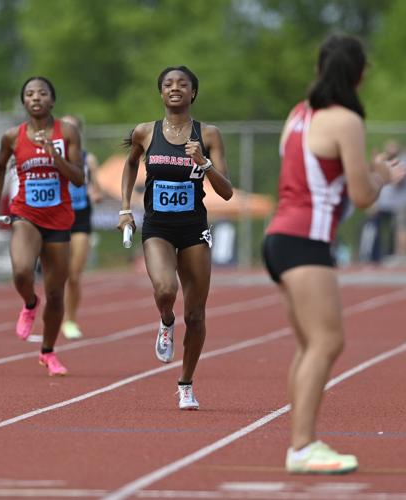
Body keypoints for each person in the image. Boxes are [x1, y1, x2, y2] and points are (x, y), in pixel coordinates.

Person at [262, 35, 405, 474]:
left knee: (311, 345)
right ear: (359, 75)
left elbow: (316, 175)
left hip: (280, 237)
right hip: (306, 239)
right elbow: (362, 196)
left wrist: (361, 175)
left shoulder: (298, 114)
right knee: (327, 341)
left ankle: (302, 443)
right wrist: (381, 175)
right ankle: (302, 446)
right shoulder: (345, 119)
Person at [117, 66, 233, 410]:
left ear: (193, 93)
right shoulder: (145, 132)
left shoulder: (208, 134)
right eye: (168, 84)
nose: (175, 88)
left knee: (196, 314)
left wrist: (205, 163)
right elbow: (130, 165)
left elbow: (226, 193)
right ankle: (166, 320)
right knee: (166, 290)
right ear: (161, 93)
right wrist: (125, 207)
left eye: (183, 84)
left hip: (194, 228)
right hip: (158, 228)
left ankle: (186, 384)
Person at [0, 77, 84, 376]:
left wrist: (55, 157)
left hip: (58, 218)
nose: (36, 97)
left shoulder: (66, 132)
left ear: (52, 101)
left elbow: (79, 177)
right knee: (22, 271)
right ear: (24, 102)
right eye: (29, 94)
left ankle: (48, 352)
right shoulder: (13, 136)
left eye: (42, 93)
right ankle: (29, 302)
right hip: (25, 213)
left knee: (56, 294)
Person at [60, 114, 104, 340]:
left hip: (80, 218)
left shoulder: (88, 160)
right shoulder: (52, 155)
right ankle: (53, 312)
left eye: (72, 128)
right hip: (56, 216)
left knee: (74, 275)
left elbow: (97, 190)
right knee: (56, 274)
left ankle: (70, 319)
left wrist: (94, 194)